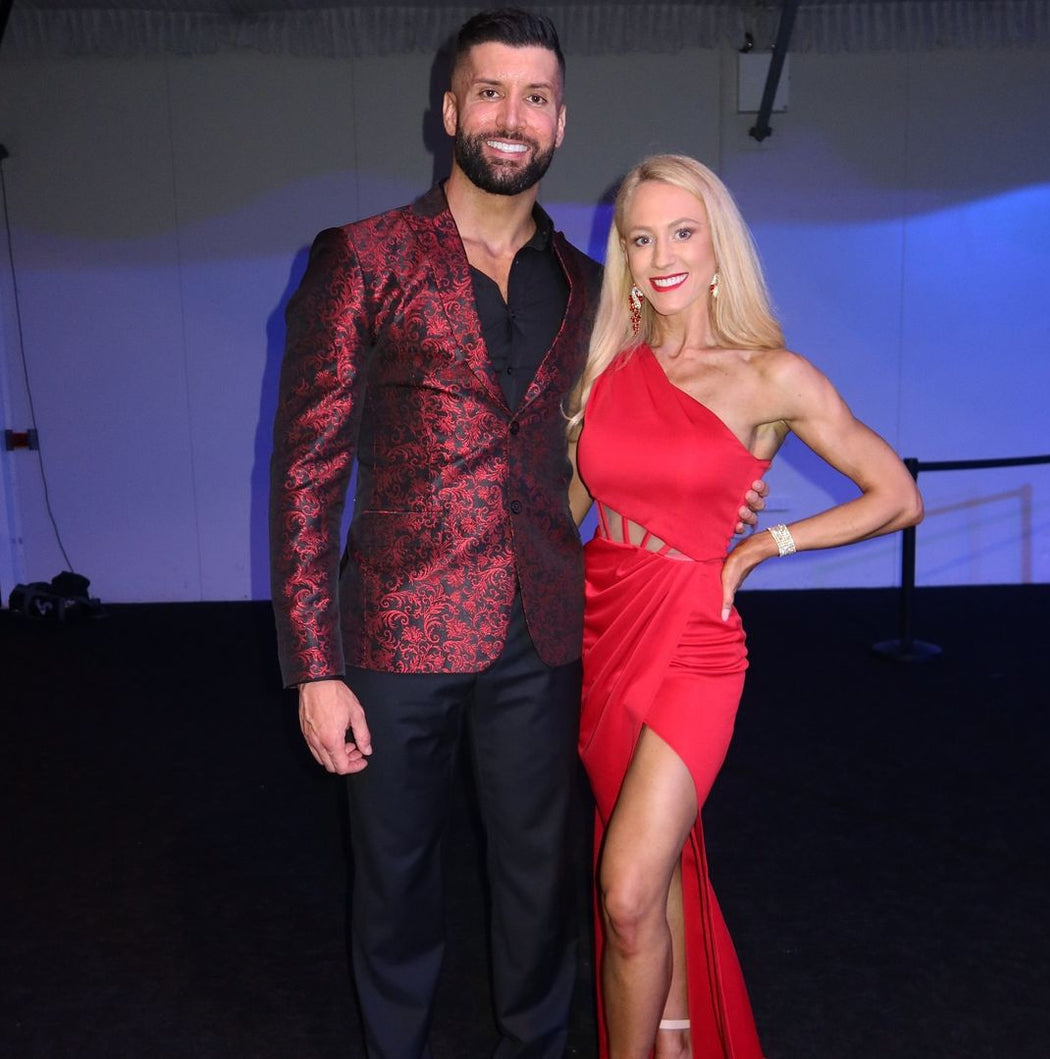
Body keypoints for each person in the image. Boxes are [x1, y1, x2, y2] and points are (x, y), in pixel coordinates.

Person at [271, 10, 766, 1054]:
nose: (510, 116)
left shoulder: (597, 291)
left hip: (547, 637)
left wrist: (717, 496)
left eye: (533, 97)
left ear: (560, 121)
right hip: (393, 637)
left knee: (537, 893)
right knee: (395, 890)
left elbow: (652, 417)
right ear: (449, 110)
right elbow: (308, 475)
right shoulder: (360, 258)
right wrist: (314, 668)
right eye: (488, 92)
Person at [566, 154, 923, 1059]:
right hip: (602, 628)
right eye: (641, 238)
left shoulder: (772, 377)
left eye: (682, 232)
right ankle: (680, 1038)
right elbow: (559, 511)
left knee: (627, 887)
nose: (661, 255)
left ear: (718, 246)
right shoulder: (605, 368)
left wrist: (770, 543)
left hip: (694, 641)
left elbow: (895, 493)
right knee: (658, 866)